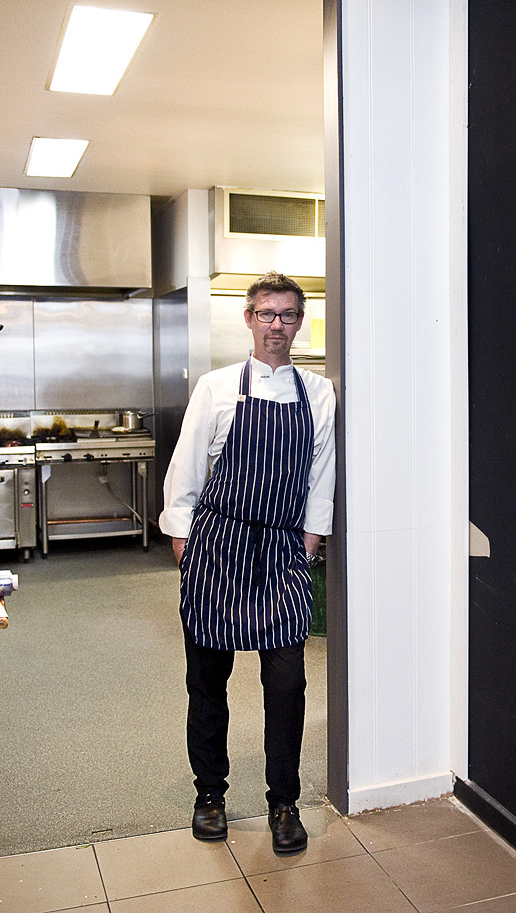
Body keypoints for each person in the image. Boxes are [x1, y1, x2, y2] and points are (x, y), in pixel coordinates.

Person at [159, 270, 336, 855]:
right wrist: (185, 541)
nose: (277, 325)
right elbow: (185, 470)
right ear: (249, 319)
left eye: (287, 315)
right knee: (208, 683)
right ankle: (209, 793)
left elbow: (320, 478)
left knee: (287, 686)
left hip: (283, 552)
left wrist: (309, 544)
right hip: (219, 548)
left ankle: (283, 802)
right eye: (267, 314)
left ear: (299, 321)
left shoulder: (318, 393)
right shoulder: (215, 387)